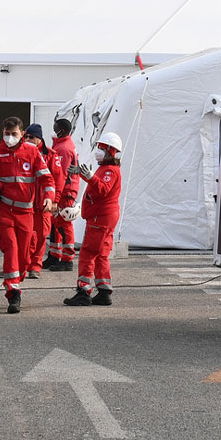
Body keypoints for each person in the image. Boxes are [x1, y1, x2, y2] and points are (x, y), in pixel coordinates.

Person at [0, 116, 54, 314]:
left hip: (26, 212)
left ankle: (18, 277)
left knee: (24, 257)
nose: (10, 137)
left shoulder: (32, 152)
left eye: (14, 134)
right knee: (11, 249)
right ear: (2, 133)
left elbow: (47, 178)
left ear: (22, 134)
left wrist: (49, 197)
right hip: (5, 212)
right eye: (7, 134)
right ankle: (13, 292)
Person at [63, 131, 123, 308]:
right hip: (104, 217)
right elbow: (97, 182)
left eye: (101, 148)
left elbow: (102, 189)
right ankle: (104, 291)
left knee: (88, 253)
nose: (98, 151)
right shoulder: (107, 169)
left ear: (111, 152)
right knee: (101, 255)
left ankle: (83, 292)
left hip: (100, 219)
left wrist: (88, 176)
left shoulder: (110, 170)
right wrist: (83, 174)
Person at [22, 123, 63, 280]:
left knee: (40, 236)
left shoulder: (51, 155)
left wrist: (54, 201)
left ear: (39, 138)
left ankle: (35, 267)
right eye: (26, 136)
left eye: (31, 137)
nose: (28, 139)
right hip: (26, 203)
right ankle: (23, 265)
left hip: (43, 204)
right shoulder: (22, 152)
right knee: (25, 236)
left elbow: (58, 180)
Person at [45, 118, 80, 271]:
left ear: (63, 130)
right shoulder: (61, 145)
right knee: (56, 224)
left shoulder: (64, 148)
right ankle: (54, 255)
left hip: (65, 191)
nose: (53, 129)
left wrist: (56, 197)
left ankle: (67, 259)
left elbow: (60, 174)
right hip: (64, 190)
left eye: (55, 127)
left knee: (64, 224)